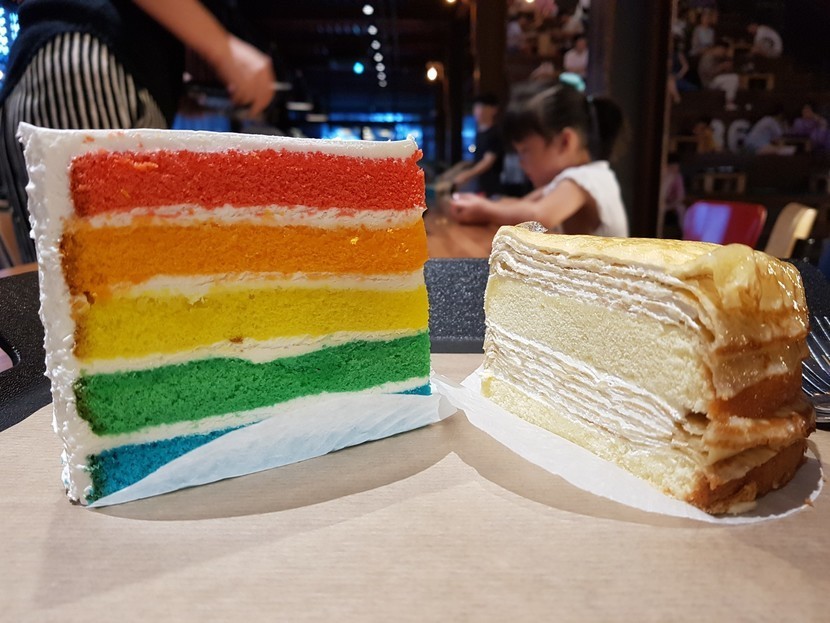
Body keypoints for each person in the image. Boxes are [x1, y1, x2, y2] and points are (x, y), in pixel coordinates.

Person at [0, 0, 276, 265]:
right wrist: (223, 49)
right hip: (80, 60)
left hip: (96, 65)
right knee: (91, 279)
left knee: (127, 277)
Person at [449, 82, 628, 238]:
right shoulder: (569, 181)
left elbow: (539, 216)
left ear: (565, 142)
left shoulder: (585, 178)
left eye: (525, 151)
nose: (521, 162)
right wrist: (478, 204)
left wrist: (484, 210)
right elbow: (523, 204)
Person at [449, 93, 505, 197]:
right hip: (480, 186)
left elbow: (488, 161)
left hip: (492, 188)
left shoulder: (495, 133)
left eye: (483, 107)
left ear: (494, 110)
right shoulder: (479, 133)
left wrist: (466, 175)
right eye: (476, 107)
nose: (478, 111)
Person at [697, 40, 739, 110]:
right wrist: (721, 67)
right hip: (708, 82)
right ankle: (729, 102)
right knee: (733, 78)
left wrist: (726, 67)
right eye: (723, 50)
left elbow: (726, 72)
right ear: (718, 48)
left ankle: (728, 103)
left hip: (716, 81)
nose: (724, 53)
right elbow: (708, 74)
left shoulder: (718, 58)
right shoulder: (707, 57)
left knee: (731, 81)